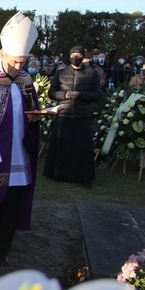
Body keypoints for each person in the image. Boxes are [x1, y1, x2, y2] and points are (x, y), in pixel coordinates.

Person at [0, 12, 42, 268]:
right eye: (15, 61)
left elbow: (30, 109)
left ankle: (2, 248)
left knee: (12, 204)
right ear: (3, 55)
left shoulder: (26, 81)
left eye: (23, 61)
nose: (19, 67)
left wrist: (35, 119)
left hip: (18, 154)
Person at [43, 45, 102, 188]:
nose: (76, 57)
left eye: (79, 54)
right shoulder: (61, 73)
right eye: (74, 54)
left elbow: (97, 94)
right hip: (64, 112)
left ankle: (83, 177)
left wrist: (81, 95)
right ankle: (58, 174)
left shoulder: (91, 73)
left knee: (82, 148)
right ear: (69, 56)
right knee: (62, 145)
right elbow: (52, 92)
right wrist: (64, 95)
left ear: (83, 56)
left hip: (82, 115)